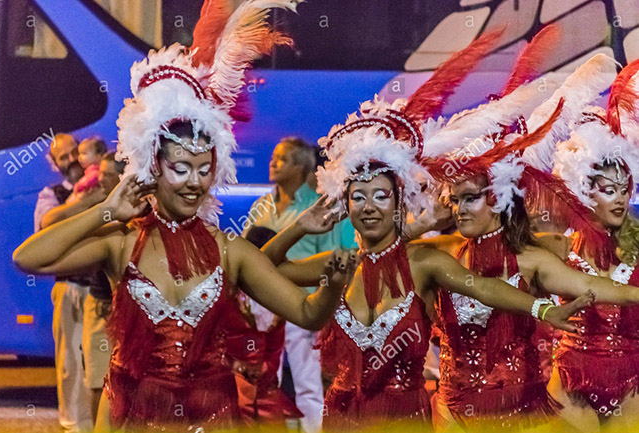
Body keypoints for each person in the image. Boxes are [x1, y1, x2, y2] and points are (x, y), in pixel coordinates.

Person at [12, 1, 359, 431]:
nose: (194, 181)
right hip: (132, 413)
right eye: (180, 168)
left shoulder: (227, 250)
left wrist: (333, 285)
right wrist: (106, 211)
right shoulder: (121, 243)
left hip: (210, 413)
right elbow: (28, 258)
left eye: (203, 169)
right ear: (153, 168)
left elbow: (307, 315)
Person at [260, 30, 592, 431]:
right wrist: (300, 226)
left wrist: (542, 308)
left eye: (380, 195)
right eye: (358, 196)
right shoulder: (337, 265)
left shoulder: (424, 261)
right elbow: (261, 269)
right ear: (344, 204)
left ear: (399, 202)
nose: (368, 207)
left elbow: (481, 286)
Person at [405, 53, 639, 431]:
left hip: (548, 409)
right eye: (455, 198)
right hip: (466, 413)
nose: (457, 207)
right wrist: (426, 221)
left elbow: (597, 287)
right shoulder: (440, 258)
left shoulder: (533, 257)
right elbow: (376, 257)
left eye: (469, 198)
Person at [541, 59, 639, 432]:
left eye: (623, 190)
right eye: (607, 190)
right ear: (583, 191)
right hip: (571, 381)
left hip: (632, 383)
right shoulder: (557, 249)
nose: (618, 199)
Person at [242, 136, 356, 433]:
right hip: (258, 304)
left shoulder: (320, 206)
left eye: (283, 159)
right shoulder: (260, 205)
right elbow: (247, 254)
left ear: (304, 166)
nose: (273, 163)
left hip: (303, 302)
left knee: (307, 380)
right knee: (263, 379)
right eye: (273, 157)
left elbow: (338, 253)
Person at [35, 132, 105, 432]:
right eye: (62, 157)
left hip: (99, 290)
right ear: (55, 163)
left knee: (98, 363)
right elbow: (45, 228)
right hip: (69, 286)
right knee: (70, 364)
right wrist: (87, 204)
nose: (71, 160)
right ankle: (72, 425)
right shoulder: (52, 195)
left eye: (74, 152)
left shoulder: (100, 183)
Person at [228, 225, 303, 428]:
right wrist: (233, 367)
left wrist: (264, 368)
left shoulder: (276, 304)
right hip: (230, 384)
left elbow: (274, 347)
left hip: (263, 383)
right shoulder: (228, 297)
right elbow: (214, 340)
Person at [81, 151, 125, 423]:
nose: (100, 180)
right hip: (101, 305)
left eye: (107, 175)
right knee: (98, 379)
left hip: (122, 311)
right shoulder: (104, 209)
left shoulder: (133, 211)